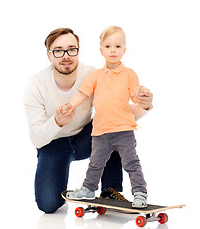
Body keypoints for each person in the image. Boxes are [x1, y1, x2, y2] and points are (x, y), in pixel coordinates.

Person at [23, 28, 153, 213]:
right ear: (49, 55)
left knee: (115, 128)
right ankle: (82, 188)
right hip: (53, 144)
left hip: (87, 136)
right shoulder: (35, 85)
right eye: (58, 51)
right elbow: (36, 138)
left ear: (78, 51)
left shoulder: (92, 74)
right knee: (48, 204)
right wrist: (57, 122)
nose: (66, 55)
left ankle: (111, 190)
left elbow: (119, 111)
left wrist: (146, 105)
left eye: (71, 49)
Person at [64, 26, 149, 208]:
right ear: (101, 50)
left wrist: (143, 95)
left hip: (124, 130)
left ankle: (140, 193)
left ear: (124, 50)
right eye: (108, 46)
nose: (113, 50)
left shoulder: (129, 74)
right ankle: (88, 189)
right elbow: (83, 93)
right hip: (100, 131)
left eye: (117, 46)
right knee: (95, 164)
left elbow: (135, 97)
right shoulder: (96, 76)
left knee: (132, 163)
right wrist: (71, 105)